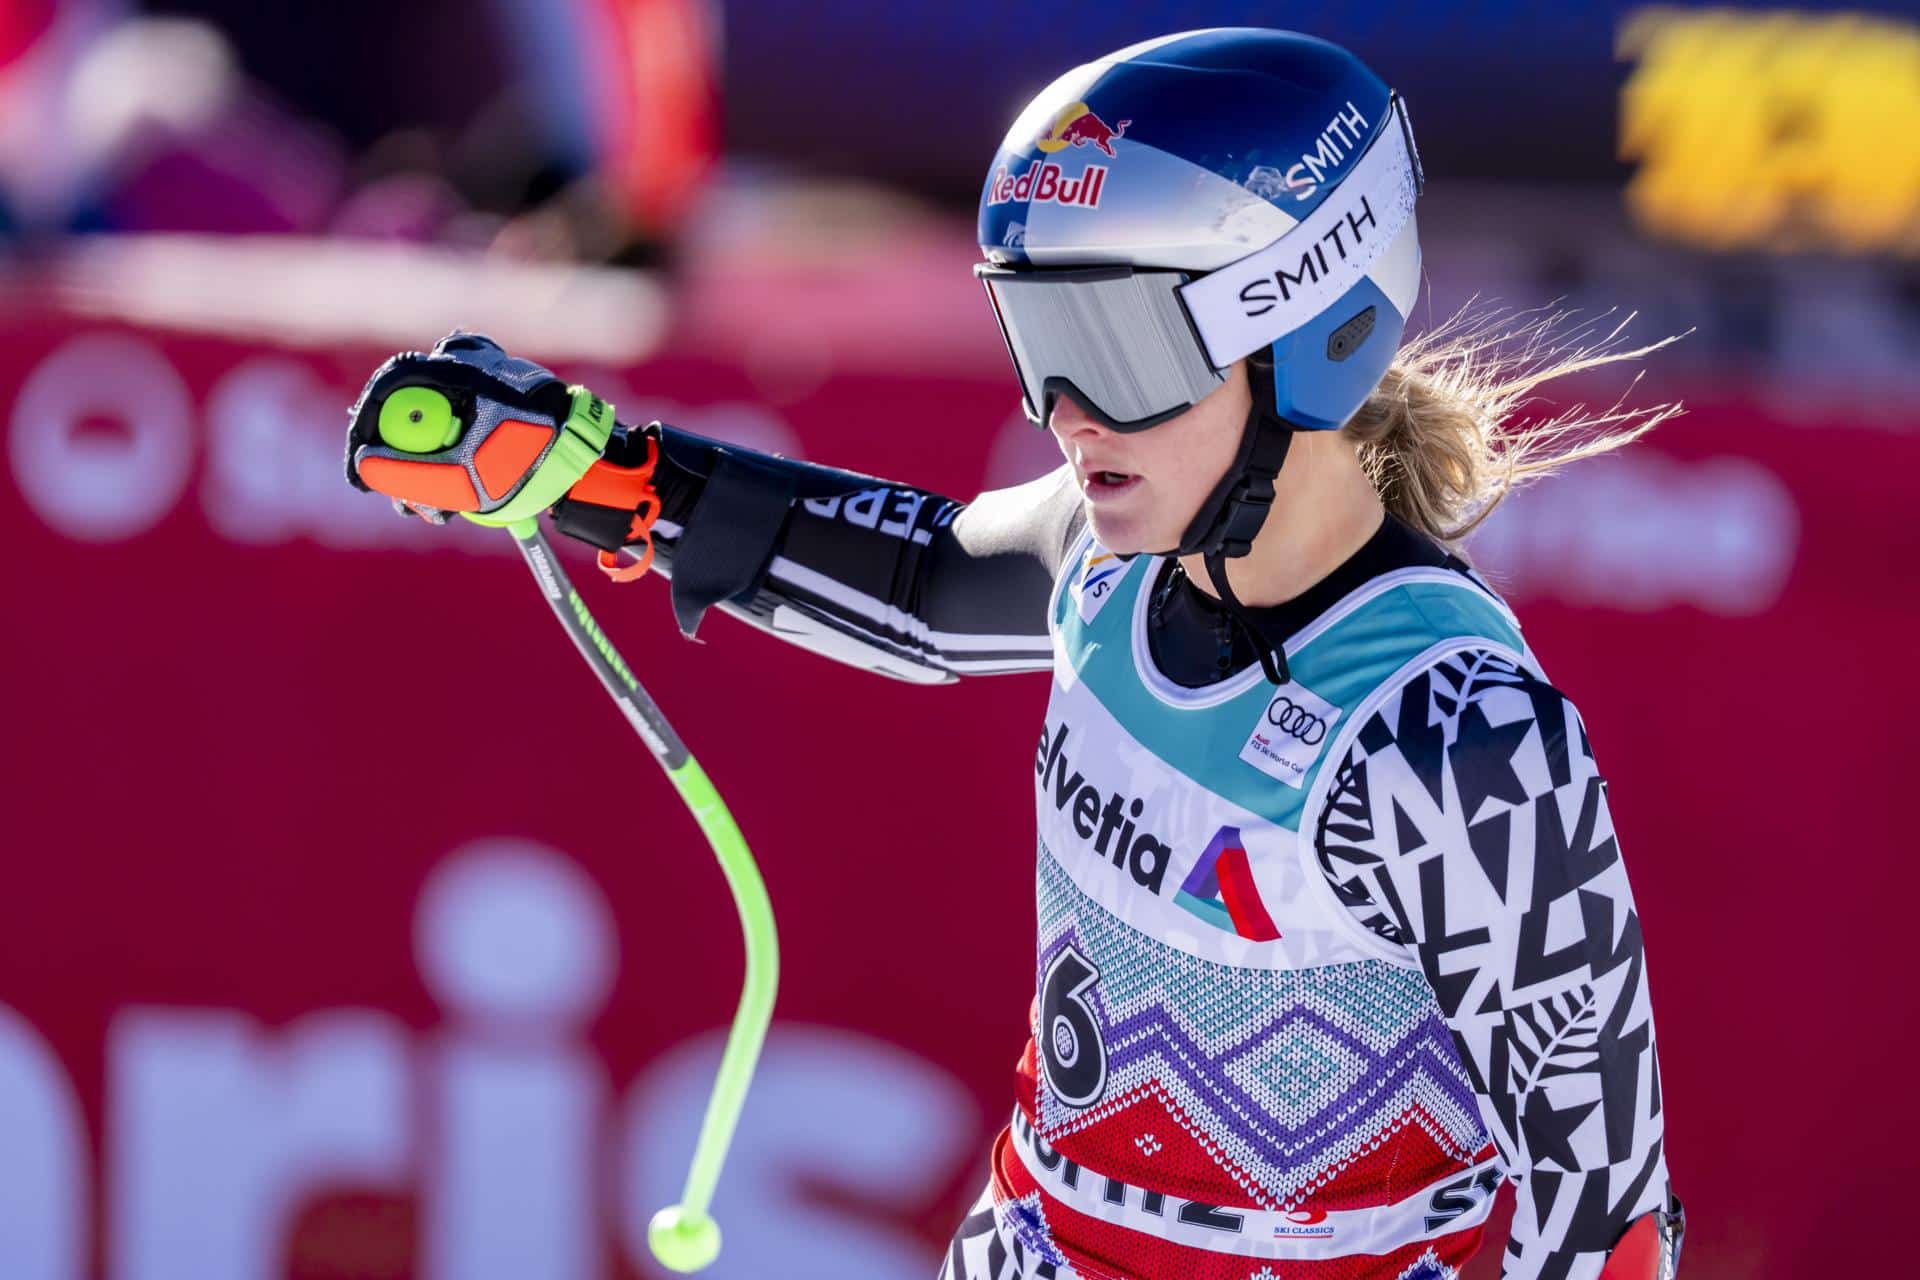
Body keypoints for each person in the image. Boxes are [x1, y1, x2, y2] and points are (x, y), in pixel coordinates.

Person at [344, 28, 1684, 1280]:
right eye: (1039, 342)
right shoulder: (1110, 564)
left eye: (1116, 348)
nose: (1066, 417)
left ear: (1309, 333)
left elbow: (1603, 1202)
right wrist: (605, 474)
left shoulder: (1455, 733)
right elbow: (923, 579)